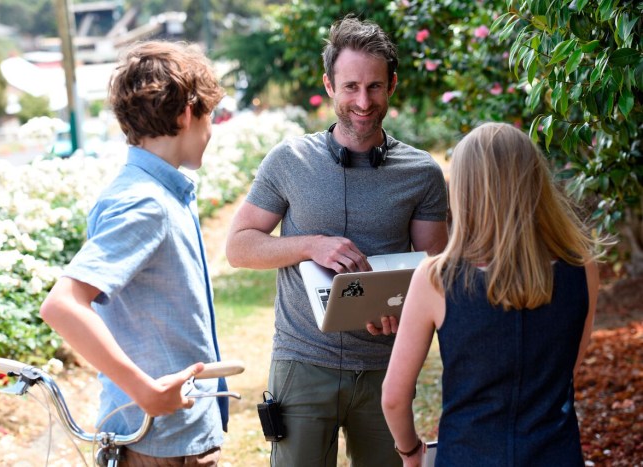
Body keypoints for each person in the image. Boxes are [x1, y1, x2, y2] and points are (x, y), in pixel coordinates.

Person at [226, 17, 449, 466]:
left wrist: (400, 311)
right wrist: (311, 245)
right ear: (329, 85)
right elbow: (239, 246)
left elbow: (436, 271)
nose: (362, 102)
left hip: (387, 370)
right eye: (350, 87)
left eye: (374, 87)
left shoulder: (422, 173)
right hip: (303, 362)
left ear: (392, 85)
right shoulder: (288, 161)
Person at [40, 41, 228, 465]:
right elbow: (63, 305)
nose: (211, 129)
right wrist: (145, 389)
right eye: (209, 115)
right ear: (186, 113)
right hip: (161, 444)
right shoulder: (147, 202)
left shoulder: (154, 191)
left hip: (172, 434)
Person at [381, 122, 600, 466]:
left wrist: (410, 453)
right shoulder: (583, 266)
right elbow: (567, 367)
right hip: (554, 454)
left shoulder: (437, 278)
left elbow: (394, 398)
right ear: (535, 182)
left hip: (467, 455)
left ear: (464, 189)